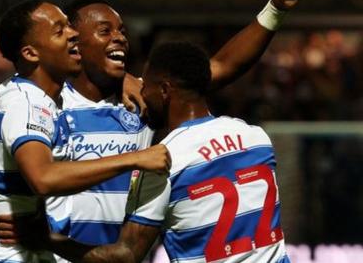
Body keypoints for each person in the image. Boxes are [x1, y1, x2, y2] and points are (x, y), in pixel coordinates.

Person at [0, 0, 170, 263]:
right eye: (60, 31)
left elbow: (1, 165)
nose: (72, 35)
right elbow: (42, 176)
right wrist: (135, 158)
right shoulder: (30, 103)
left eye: (122, 31)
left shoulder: (41, 98)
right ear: (31, 53)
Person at [31, 41, 291, 263]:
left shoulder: (162, 161)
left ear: (165, 90)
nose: (141, 92)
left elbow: (126, 255)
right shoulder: (256, 137)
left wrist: (48, 240)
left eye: (147, 86)